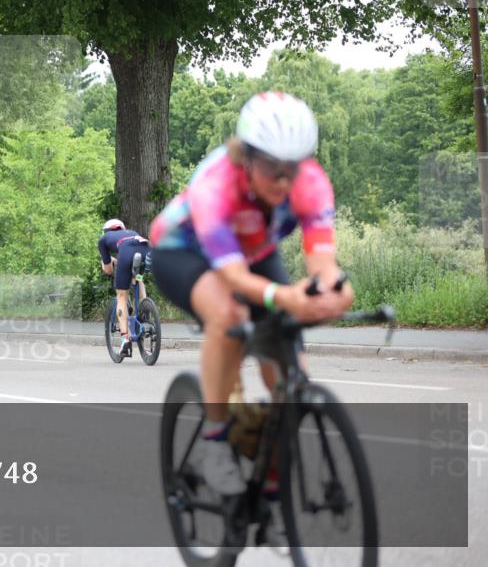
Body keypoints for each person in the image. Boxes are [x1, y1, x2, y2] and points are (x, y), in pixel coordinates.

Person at [147, 91, 353, 495]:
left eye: (292, 168)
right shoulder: (216, 186)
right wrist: (284, 297)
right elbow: (236, 279)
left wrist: (333, 290)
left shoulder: (309, 183)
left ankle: (273, 486)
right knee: (229, 315)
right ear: (246, 156)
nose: (283, 180)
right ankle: (214, 437)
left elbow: (322, 262)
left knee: (291, 373)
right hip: (183, 252)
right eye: (271, 168)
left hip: (255, 250)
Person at [97, 218, 149, 358]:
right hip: (145, 247)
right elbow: (131, 257)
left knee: (121, 296)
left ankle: (125, 339)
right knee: (137, 278)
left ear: (105, 231)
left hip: (126, 252)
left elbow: (108, 270)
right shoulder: (131, 232)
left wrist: (109, 263)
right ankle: (145, 308)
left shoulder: (103, 240)